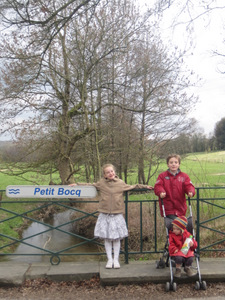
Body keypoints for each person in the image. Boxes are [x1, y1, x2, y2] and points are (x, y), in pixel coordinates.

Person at [70, 163, 153, 269]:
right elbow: (91, 185)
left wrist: (145, 187)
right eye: (108, 172)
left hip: (117, 214)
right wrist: (77, 184)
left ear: (114, 172)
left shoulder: (120, 183)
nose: (110, 173)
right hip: (105, 214)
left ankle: (116, 260)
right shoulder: (102, 183)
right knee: (107, 239)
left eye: (112, 171)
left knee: (117, 239)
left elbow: (133, 186)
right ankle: (109, 260)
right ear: (104, 175)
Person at [154, 154, 195, 221]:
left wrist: (190, 191)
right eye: (171, 162)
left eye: (176, 162)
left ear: (179, 164)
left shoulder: (184, 176)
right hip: (168, 208)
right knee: (177, 225)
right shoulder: (162, 176)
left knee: (179, 227)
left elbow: (188, 185)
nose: (173, 164)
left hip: (180, 207)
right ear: (168, 164)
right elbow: (158, 186)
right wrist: (161, 192)